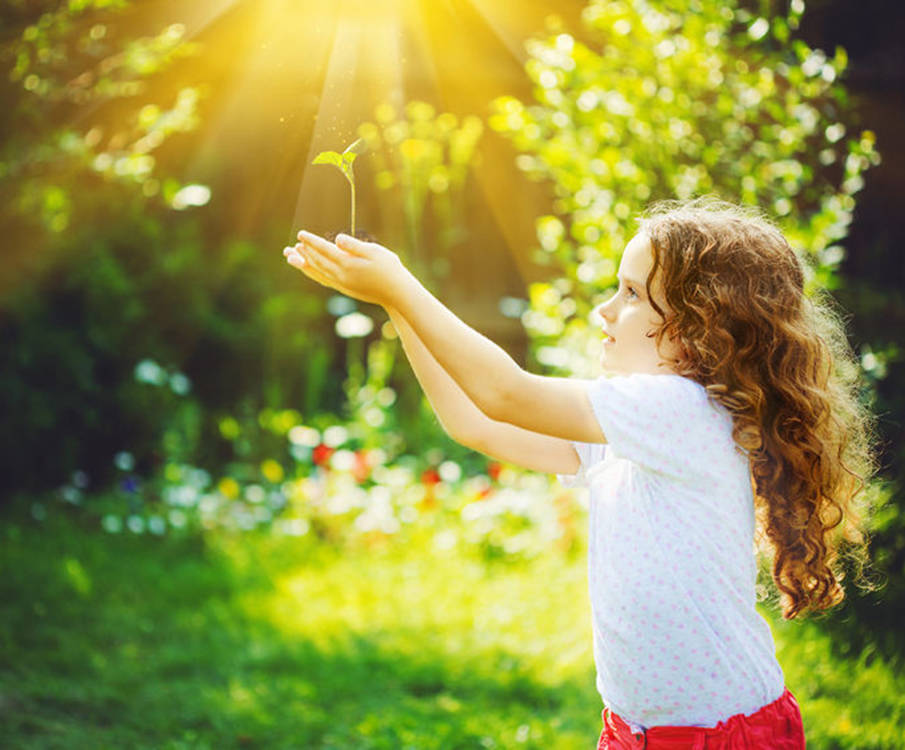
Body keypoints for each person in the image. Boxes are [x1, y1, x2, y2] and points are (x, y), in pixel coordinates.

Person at [282, 197, 879, 749]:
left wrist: (403, 287)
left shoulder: (682, 413)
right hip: (636, 730)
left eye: (632, 294)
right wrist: (394, 304)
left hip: (719, 737)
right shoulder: (635, 427)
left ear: (704, 326)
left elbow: (504, 393)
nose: (606, 309)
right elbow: (475, 423)